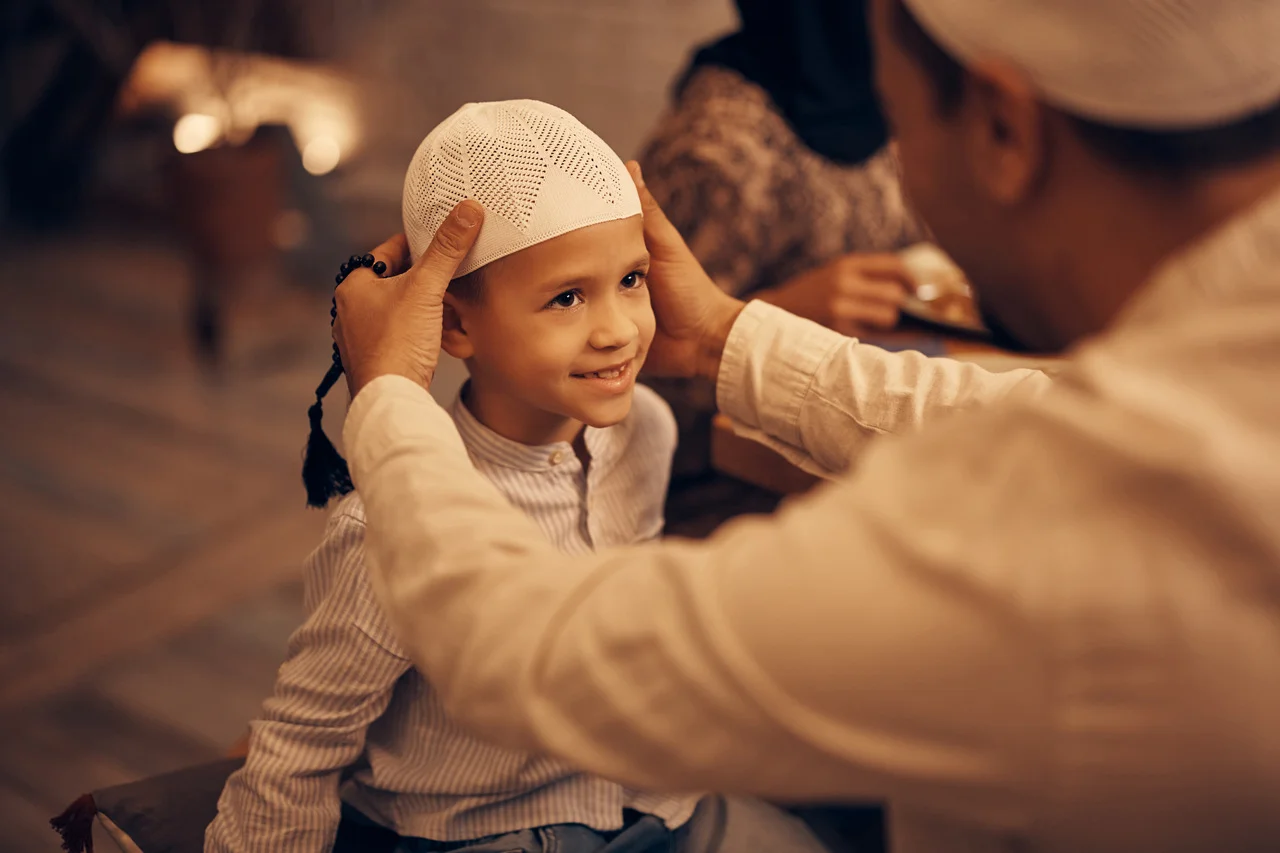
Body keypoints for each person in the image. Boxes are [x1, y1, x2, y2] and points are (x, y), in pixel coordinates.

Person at [328, 1, 1280, 851]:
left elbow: (519, 649)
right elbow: (1021, 411)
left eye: (895, 125)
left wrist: (390, 396)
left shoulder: (1041, 542)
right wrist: (722, 336)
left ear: (1002, 129)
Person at [206, 100, 827, 853]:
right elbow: (300, 745)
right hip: (486, 829)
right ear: (456, 325)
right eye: (567, 297)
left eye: (631, 279)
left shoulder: (647, 433)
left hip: (657, 804)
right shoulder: (386, 524)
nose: (618, 329)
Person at [638, 0, 925, 504]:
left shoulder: (883, 102)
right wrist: (779, 311)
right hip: (726, 496)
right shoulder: (722, 147)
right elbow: (630, 366)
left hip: (856, 443)